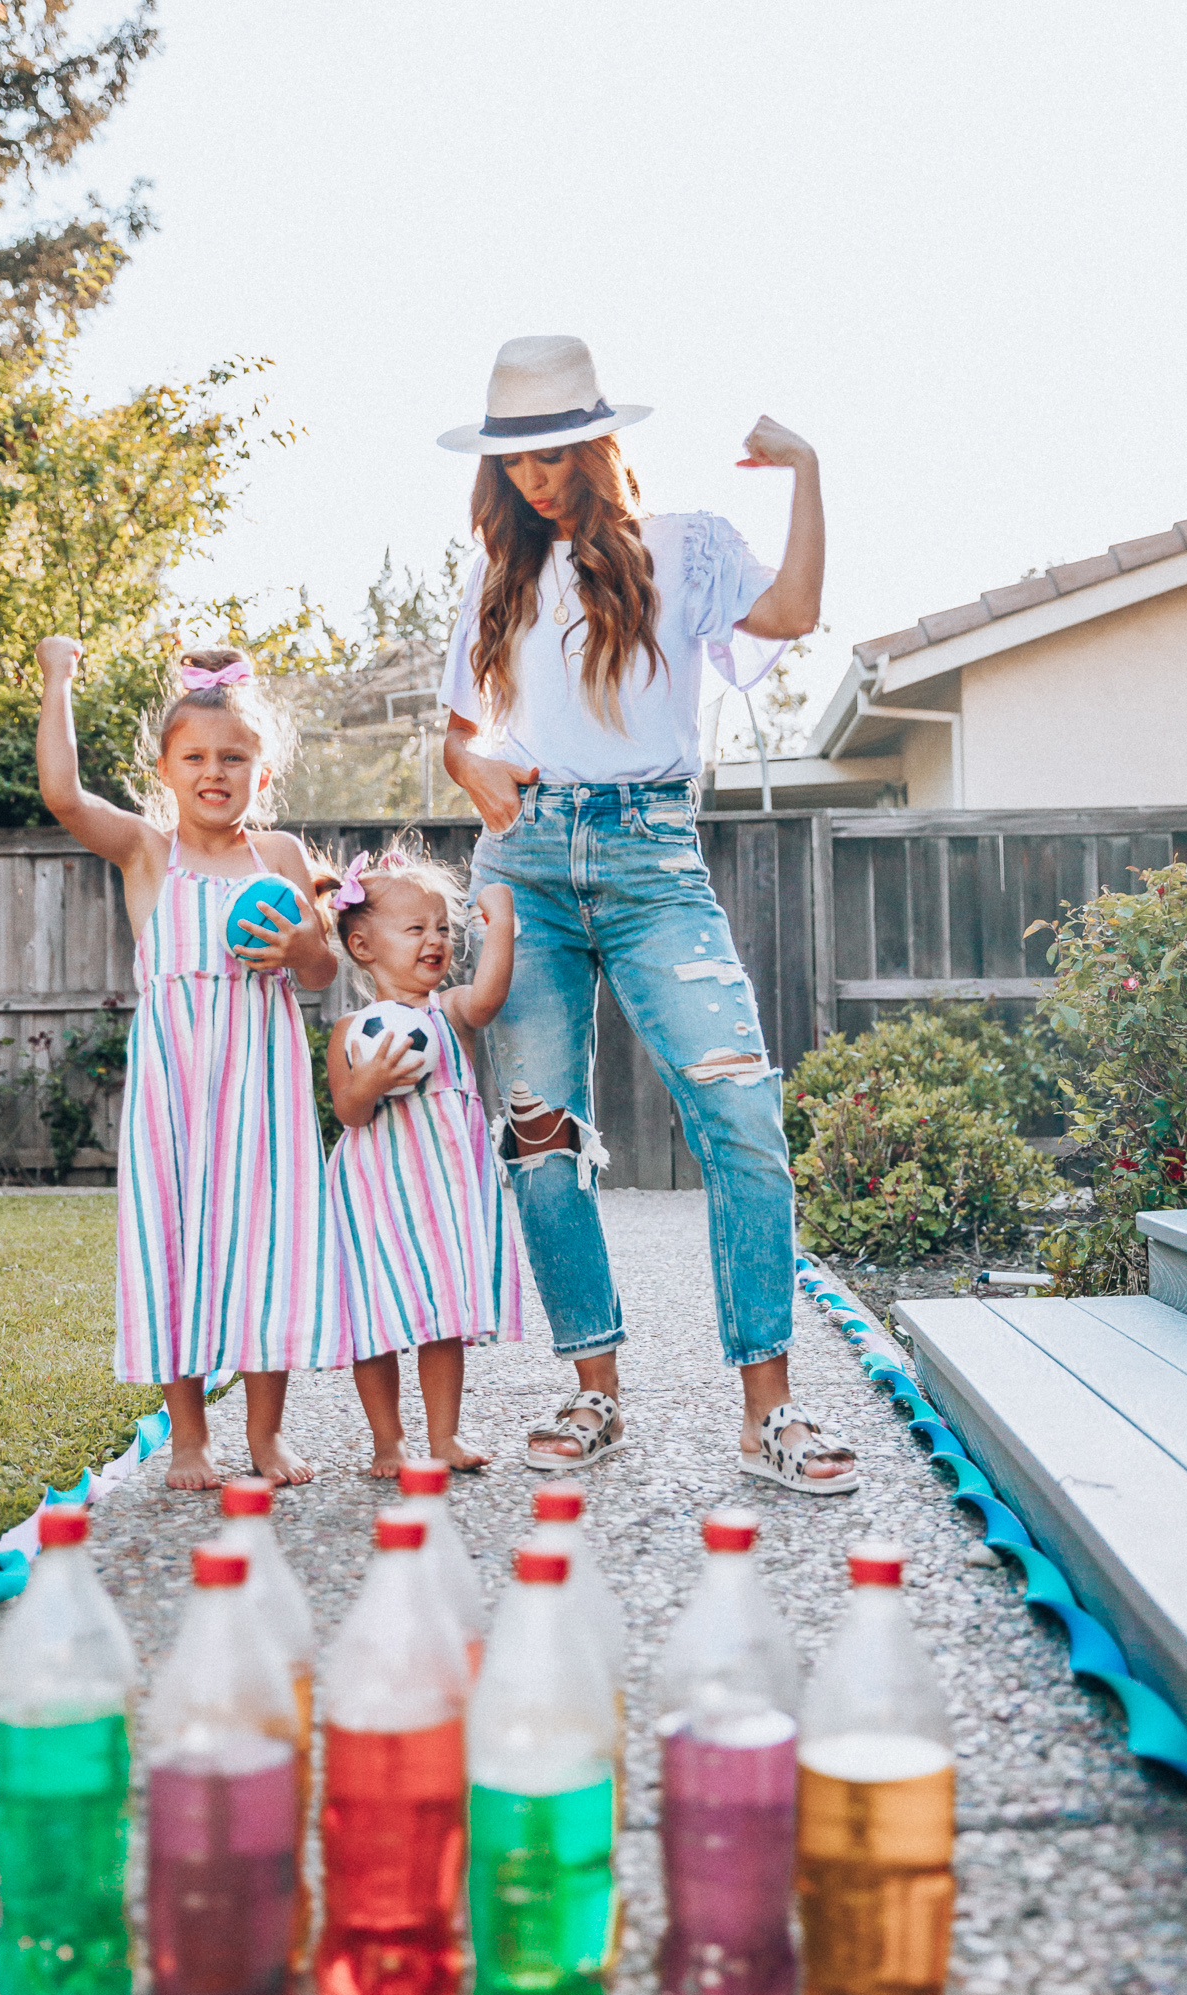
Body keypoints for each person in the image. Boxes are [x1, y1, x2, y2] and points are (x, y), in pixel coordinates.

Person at [436, 334, 857, 1494]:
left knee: (741, 1112)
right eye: (511, 454)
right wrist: (469, 769)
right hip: (522, 868)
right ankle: (593, 1393)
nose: (531, 473)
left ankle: (769, 1407)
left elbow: (799, 607)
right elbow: (462, 733)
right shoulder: (490, 578)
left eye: (551, 447)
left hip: (652, 855)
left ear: (593, 439)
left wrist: (807, 465)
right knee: (539, 1135)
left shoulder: (685, 547)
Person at [35, 637, 347, 1490]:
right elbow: (62, 795)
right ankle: (189, 1440)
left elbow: (321, 973)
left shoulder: (278, 857)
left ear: (264, 774)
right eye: (197, 757)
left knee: (267, 1245)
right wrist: (57, 678)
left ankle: (267, 1435)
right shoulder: (147, 852)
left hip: (264, 1085)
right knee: (172, 1243)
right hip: (176, 1088)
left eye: (235, 757)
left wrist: (297, 947)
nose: (216, 771)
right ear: (167, 770)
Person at [324, 841, 523, 1477]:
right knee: (374, 1318)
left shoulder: (451, 1012)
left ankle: (444, 1438)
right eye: (415, 928)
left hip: (443, 1195)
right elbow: (348, 1113)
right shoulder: (352, 1030)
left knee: (443, 1319)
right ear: (364, 947)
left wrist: (502, 926)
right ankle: (388, 1441)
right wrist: (370, 1081)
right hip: (375, 1194)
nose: (434, 940)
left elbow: (489, 997)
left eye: (442, 928)